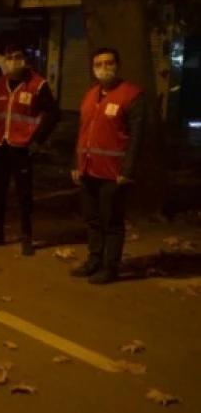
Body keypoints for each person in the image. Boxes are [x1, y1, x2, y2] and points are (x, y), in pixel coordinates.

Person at [69, 48, 145, 285]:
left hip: (113, 172)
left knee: (112, 222)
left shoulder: (131, 96)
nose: (103, 68)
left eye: (108, 63)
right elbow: (82, 133)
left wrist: (128, 170)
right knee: (93, 219)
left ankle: (110, 267)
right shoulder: (91, 95)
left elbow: (137, 137)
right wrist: (76, 164)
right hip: (88, 168)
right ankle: (94, 259)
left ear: (117, 65)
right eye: (98, 64)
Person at [0, 46, 60, 255]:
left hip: (22, 147)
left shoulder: (37, 84)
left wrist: (37, 140)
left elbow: (53, 113)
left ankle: (27, 236)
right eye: (9, 58)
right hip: (0, 145)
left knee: (24, 194)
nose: (12, 61)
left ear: (25, 60)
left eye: (17, 57)